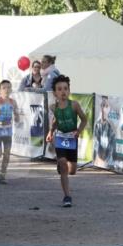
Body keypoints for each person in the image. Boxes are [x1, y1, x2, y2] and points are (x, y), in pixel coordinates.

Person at [47, 75, 88, 208]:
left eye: (65, 88)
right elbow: (55, 122)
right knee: (63, 164)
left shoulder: (74, 105)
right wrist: (50, 133)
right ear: (55, 93)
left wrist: (78, 131)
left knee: (72, 171)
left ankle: (62, 165)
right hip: (60, 137)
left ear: (69, 91)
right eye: (59, 89)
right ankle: (67, 196)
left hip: (71, 138)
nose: (63, 92)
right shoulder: (53, 107)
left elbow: (84, 119)